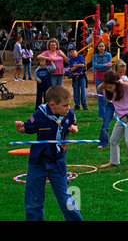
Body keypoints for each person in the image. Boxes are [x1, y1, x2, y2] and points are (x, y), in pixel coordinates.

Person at [14, 86, 83, 220]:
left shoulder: (69, 114)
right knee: (33, 199)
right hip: (38, 161)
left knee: (66, 199)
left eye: (69, 105)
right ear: (52, 105)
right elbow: (27, 128)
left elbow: (73, 124)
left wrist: (74, 128)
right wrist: (20, 128)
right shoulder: (39, 115)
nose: (68, 108)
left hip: (57, 162)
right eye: (65, 105)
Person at [99, 71, 128, 173]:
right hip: (121, 118)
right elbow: (99, 88)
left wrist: (122, 82)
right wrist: (104, 83)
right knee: (114, 139)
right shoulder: (107, 90)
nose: (109, 89)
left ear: (116, 83)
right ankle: (114, 162)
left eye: (110, 87)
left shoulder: (124, 88)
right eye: (107, 87)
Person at [97, 59, 128, 148]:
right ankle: (102, 142)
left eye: (123, 72)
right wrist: (104, 84)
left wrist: (125, 83)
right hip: (111, 104)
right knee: (106, 123)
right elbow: (99, 89)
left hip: (122, 105)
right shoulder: (109, 79)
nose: (121, 74)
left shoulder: (124, 78)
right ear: (114, 71)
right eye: (119, 72)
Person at [93, 40, 112, 119]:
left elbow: (109, 66)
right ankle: (101, 115)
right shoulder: (95, 56)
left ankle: (109, 114)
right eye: (100, 46)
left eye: (102, 46)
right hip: (98, 77)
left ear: (105, 47)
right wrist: (104, 65)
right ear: (97, 48)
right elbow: (94, 66)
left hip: (106, 76)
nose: (101, 48)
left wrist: (100, 65)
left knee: (108, 95)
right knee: (100, 96)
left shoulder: (108, 55)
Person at [68, 44, 88, 111]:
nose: (72, 53)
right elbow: (71, 69)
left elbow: (82, 64)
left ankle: (84, 104)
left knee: (83, 90)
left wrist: (75, 65)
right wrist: (78, 65)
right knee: (76, 91)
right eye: (70, 52)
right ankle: (77, 105)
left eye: (73, 51)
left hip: (82, 75)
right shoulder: (70, 60)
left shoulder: (80, 56)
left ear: (76, 51)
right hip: (75, 76)